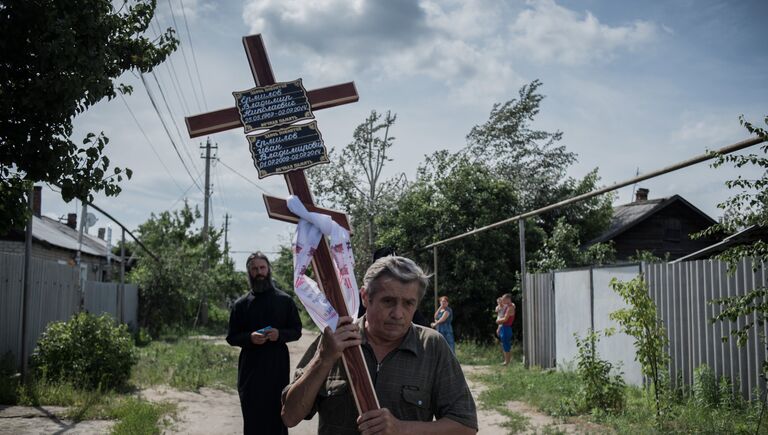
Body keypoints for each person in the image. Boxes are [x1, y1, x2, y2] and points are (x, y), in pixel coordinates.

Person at [281, 256, 477, 435]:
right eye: (388, 301)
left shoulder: (431, 346)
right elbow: (290, 417)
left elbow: (465, 426)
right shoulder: (334, 341)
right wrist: (323, 359)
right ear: (365, 297)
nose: (398, 314)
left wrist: (402, 429)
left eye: (408, 303)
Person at [226, 252, 303, 435]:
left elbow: (297, 331)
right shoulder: (241, 305)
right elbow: (231, 337)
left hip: (276, 369)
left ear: (268, 270)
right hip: (250, 371)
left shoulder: (285, 301)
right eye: (254, 269)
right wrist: (249, 338)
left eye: (262, 268)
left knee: (277, 417)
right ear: (249, 272)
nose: (259, 272)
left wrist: (279, 334)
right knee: (252, 418)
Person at [495, 293, 516, 366]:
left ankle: (507, 362)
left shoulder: (510, 308)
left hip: (506, 328)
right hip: (504, 327)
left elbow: (505, 319)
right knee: (504, 344)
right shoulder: (508, 306)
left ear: (508, 299)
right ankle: (506, 361)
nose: (502, 300)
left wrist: (498, 321)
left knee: (506, 344)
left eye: (503, 299)